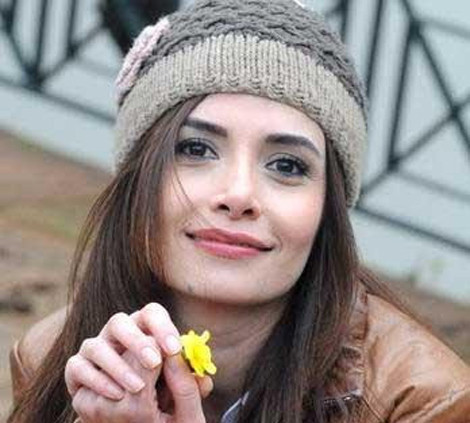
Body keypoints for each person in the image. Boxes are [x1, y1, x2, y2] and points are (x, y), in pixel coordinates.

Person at [7, 0, 470, 422]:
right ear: (137, 180)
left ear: (327, 210)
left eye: (287, 165)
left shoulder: (426, 402)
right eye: (196, 149)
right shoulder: (56, 357)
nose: (239, 194)